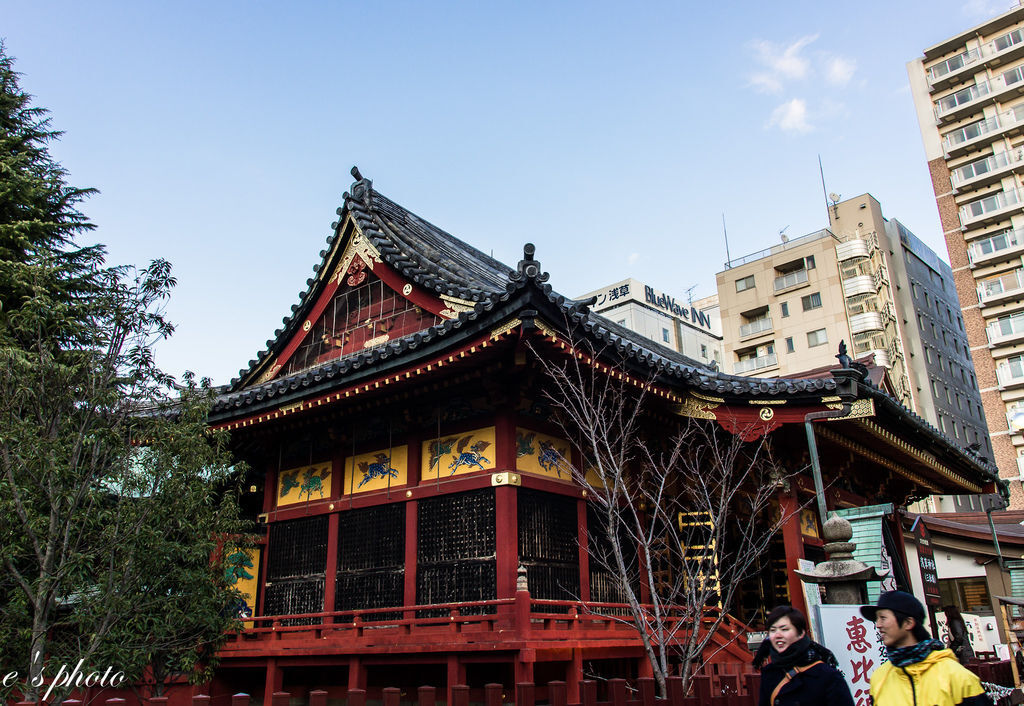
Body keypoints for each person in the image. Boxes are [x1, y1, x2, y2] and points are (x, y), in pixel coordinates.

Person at [860, 591, 986, 705]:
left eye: (883, 618)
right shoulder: (879, 678)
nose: (878, 625)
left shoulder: (956, 676)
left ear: (908, 623)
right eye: (877, 619)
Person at [757, 605, 854, 706]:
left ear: (801, 633)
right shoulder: (770, 674)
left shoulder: (827, 676)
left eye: (784, 629)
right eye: (773, 630)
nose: (778, 635)